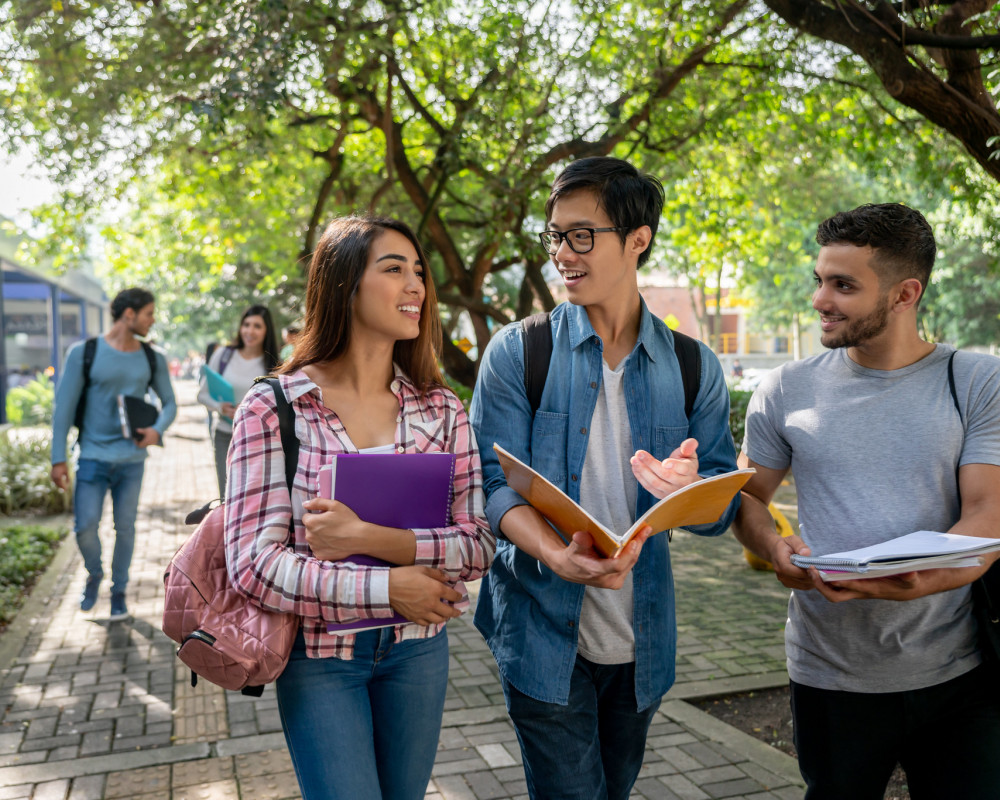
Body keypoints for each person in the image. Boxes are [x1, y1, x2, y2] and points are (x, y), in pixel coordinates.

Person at [469, 157, 740, 800]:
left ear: (637, 239)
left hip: (641, 642)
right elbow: (487, 481)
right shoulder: (518, 351)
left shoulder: (694, 366)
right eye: (556, 236)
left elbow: (722, 504)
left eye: (581, 235)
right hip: (539, 630)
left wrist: (689, 495)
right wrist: (553, 556)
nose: (562, 252)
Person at [732, 203, 1000, 799]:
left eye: (843, 285)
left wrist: (919, 580)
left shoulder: (979, 381)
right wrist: (775, 546)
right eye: (820, 280)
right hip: (830, 672)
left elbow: (986, 515)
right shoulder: (784, 388)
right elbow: (748, 500)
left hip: (959, 674)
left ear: (906, 293)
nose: (820, 299)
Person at [224, 215, 496, 800]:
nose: (416, 286)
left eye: (419, 272)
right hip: (322, 659)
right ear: (343, 284)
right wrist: (387, 590)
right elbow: (253, 564)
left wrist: (370, 539)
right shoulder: (274, 408)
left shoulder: (441, 408)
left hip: (419, 654)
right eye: (394, 269)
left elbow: (478, 543)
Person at [50, 287, 177, 620]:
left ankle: (119, 590)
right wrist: (57, 457)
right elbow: (63, 408)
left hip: (132, 460)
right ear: (129, 314)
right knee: (84, 527)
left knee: (126, 527)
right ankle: (94, 573)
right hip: (92, 456)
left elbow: (171, 403)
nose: (153, 320)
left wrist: (157, 431)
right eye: (149, 313)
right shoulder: (85, 352)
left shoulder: (153, 357)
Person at [197, 305, 280, 496]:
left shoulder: (274, 364)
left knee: (254, 497)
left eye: (257, 326)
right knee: (226, 497)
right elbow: (202, 394)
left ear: (266, 330)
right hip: (225, 434)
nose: (250, 331)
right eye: (246, 325)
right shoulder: (223, 355)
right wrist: (220, 407)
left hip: (259, 440)